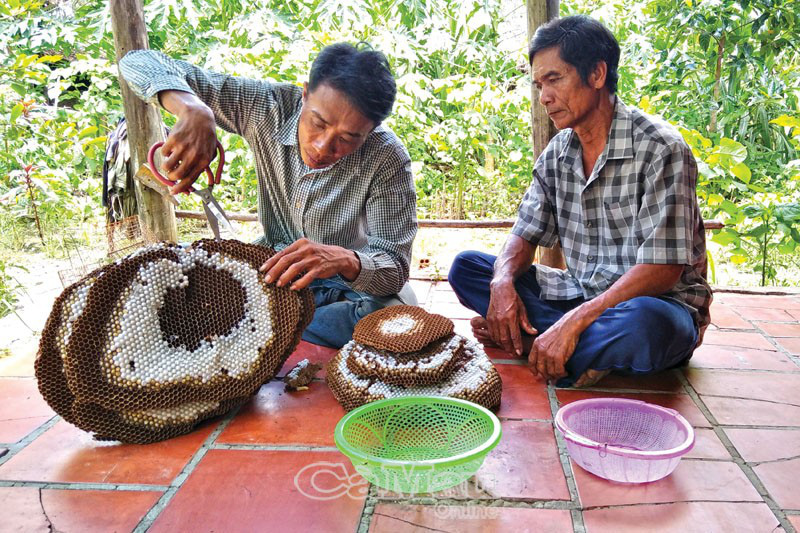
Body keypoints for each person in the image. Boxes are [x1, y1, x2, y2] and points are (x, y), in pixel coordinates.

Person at [448, 15, 712, 387]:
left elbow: (663, 270)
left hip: (655, 305)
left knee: (647, 327)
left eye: (554, 79)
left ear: (597, 74)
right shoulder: (558, 152)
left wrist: (575, 321)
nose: (544, 97)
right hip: (580, 295)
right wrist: (502, 284)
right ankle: (571, 349)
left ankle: (544, 340)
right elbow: (525, 233)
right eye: (539, 84)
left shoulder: (661, 147)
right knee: (469, 268)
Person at [119, 43, 418, 348]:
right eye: (318, 123)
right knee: (187, 297)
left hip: (354, 291)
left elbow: (393, 268)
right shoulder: (267, 108)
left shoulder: (387, 158)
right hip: (278, 272)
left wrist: (345, 259)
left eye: (347, 138)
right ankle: (283, 324)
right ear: (304, 95)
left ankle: (270, 325)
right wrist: (191, 108)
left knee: (395, 319)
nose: (322, 147)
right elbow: (137, 61)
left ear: (371, 131)